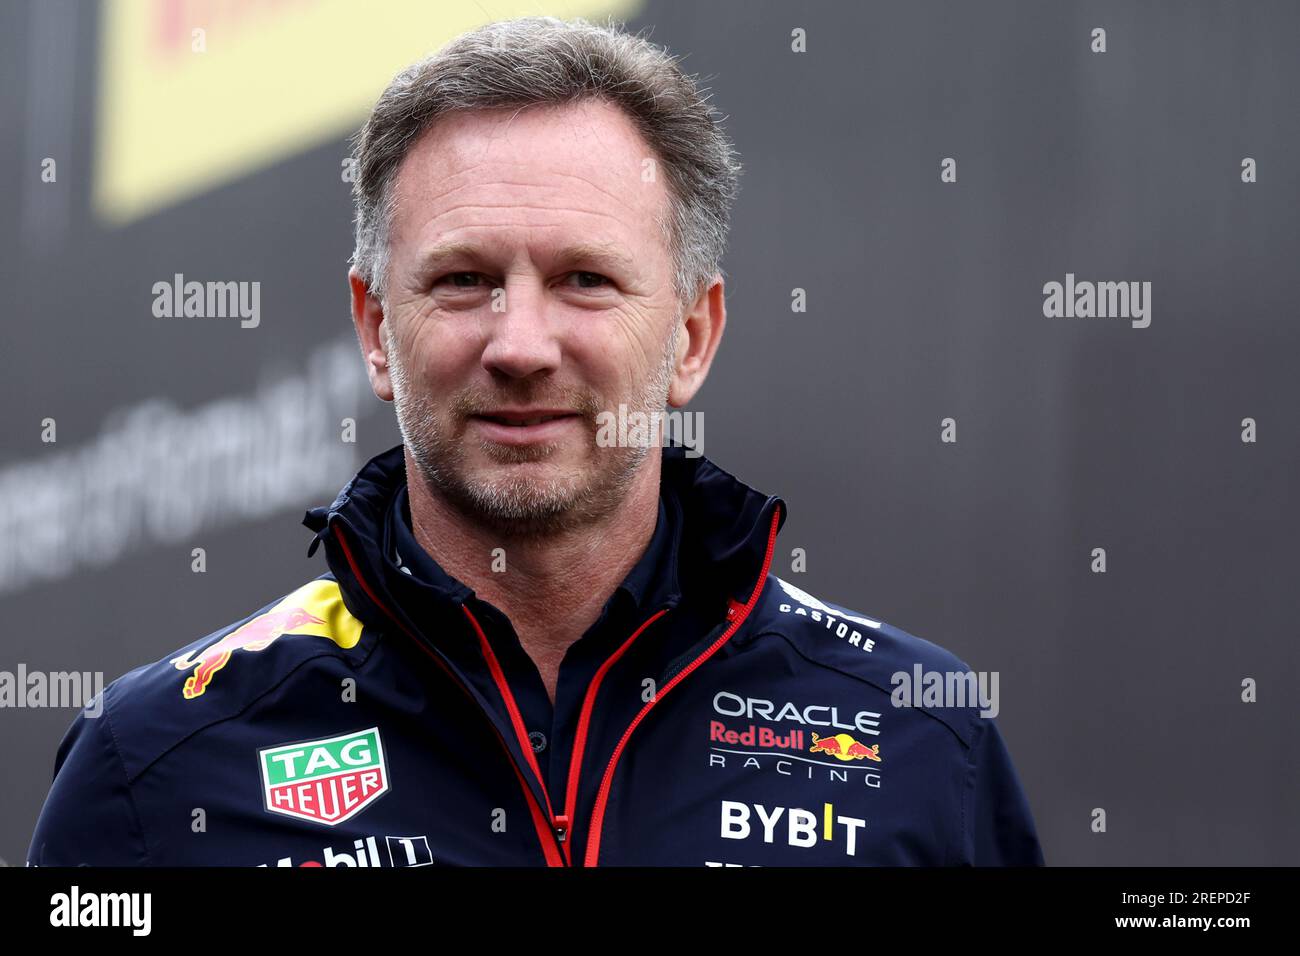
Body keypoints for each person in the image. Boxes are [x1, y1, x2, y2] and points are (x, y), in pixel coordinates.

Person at [27, 16, 1043, 867]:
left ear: (690, 334)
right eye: (464, 278)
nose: (520, 345)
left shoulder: (919, 738)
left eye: (585, 280)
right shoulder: (154, 763)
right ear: (377, 330)